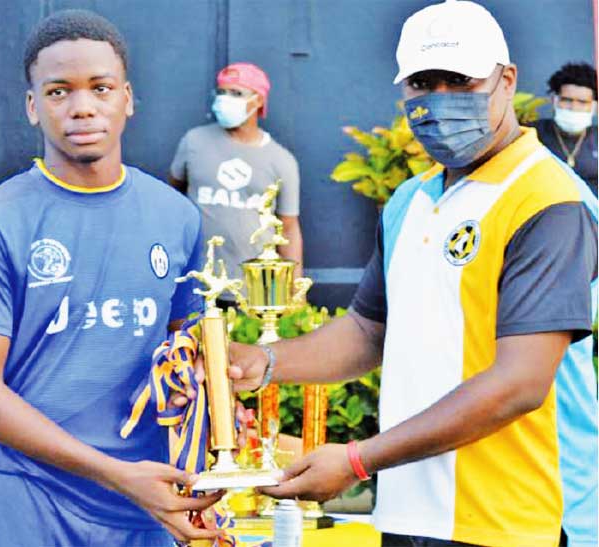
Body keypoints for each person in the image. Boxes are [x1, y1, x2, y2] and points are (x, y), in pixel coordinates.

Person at [197, 2, 597, 546]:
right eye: (423, 83)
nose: (440, 100)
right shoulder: (411, 199)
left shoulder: (548, 198)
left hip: (515, 519)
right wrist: (262, 362)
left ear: (507, 81)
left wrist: (358, 460)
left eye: (460, 80)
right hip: (409, 516)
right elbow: (369, 331)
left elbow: (519, 384)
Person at [0, 10, 225, 546]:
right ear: (32, 106)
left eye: (101, 87)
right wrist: (115, 473)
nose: (83, 107)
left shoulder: (176, 216)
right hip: (26, 498)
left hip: (146, 502)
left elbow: (183, 356)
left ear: (128, 98)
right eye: (58, 92)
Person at [168, 62, 304, 280]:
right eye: (221, 92)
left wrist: (296, 287)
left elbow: (288, 229)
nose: (225, 99)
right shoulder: (194, 141)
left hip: (254, 288)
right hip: (199, 282)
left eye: (236, 93)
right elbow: (172, 197)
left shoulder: (282, 161)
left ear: (258, 100)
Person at [531, 62, 597, 194]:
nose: (573, 107)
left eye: (582, 102)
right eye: (566, 100)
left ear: (594, 106)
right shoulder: (532, 134)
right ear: (554, 100)